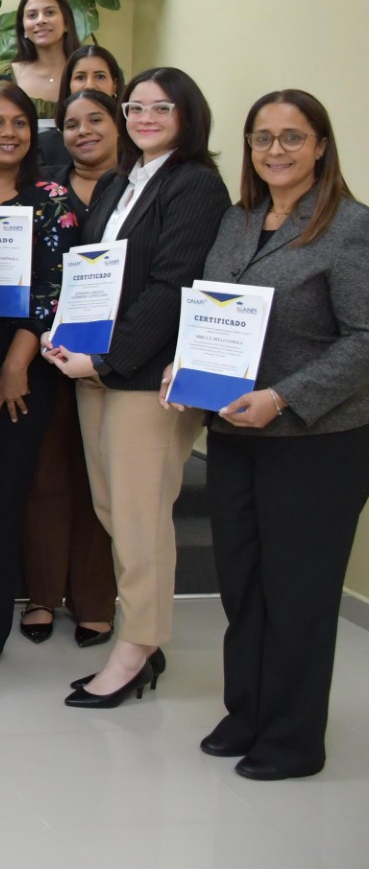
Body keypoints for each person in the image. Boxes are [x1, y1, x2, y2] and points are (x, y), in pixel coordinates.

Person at [187, 90, 369, 780]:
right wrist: (187, 363)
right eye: (262, 137)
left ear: (320, 145)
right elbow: (216, 311)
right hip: (236, 434)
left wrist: (284, 397)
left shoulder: (351, 227)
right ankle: (248, 711)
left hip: (316, 442)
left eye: (293, 137)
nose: (275, 150)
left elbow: (365, 340)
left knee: (298, 592)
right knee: (243, 584)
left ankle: (293, 739)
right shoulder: (239, 220)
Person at [44, 67, 229, 708]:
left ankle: (138, 646)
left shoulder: (195, 184)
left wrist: (106, 360)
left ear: (188, 115)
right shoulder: (121, 181)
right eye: (136, 107)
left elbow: (173, 287)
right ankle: (144, 638)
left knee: (140, 516)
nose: (145, 117)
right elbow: (92, 273)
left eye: (161, 107)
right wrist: (66, 334)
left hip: (144, 378)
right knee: (113, 509)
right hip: (95, 368)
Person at [0, 83, 78, 683]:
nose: (8, 133)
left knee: (0, 500)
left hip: (18, 365)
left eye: (20, 123)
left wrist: (15, 366)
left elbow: (54, 289)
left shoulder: (51, 199)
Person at [19, 89, 121, 647]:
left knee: (98, 479)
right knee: (46, 475)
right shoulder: (45, 188)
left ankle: (94, 600)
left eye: (96, 120)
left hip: (115, 357)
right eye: (73, 123)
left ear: (118, 124)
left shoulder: (138, 190)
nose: (84, 131)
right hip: (46, 352)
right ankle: (42, 594)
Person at [38, 42, 124, 171]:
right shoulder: (44, 146)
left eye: (100, 77)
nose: (90, 85)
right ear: (69, 85)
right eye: (80, 77)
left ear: (115, 85)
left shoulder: (136, 141)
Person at [9, 0, 81, 122]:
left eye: (50, 12)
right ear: (23, 29)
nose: (41, 20)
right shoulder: (5, 77)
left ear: (66, 23)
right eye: (32, 15)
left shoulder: (90, 73)